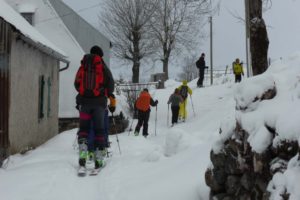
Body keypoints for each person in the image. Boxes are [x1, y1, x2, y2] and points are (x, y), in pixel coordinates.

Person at [74, 45, 114, 170]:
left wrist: (84, 94)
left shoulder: (83, 66)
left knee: (84, 129)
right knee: (99, 130)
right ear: (100, 55)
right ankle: (98, 160)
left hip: (84, 104)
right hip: (99, 105)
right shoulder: (103, 67)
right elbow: (111, 86)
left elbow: (76, 83)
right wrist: (103, 94)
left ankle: (83, 153)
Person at [87, 94, 116, 161]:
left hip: (89, 109)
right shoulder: (104, 84)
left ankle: (91, 150)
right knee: (103, 129)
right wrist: (112, 106)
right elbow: (111, 96)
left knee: (91, 129)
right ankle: (102, 148)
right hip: (102, 109)